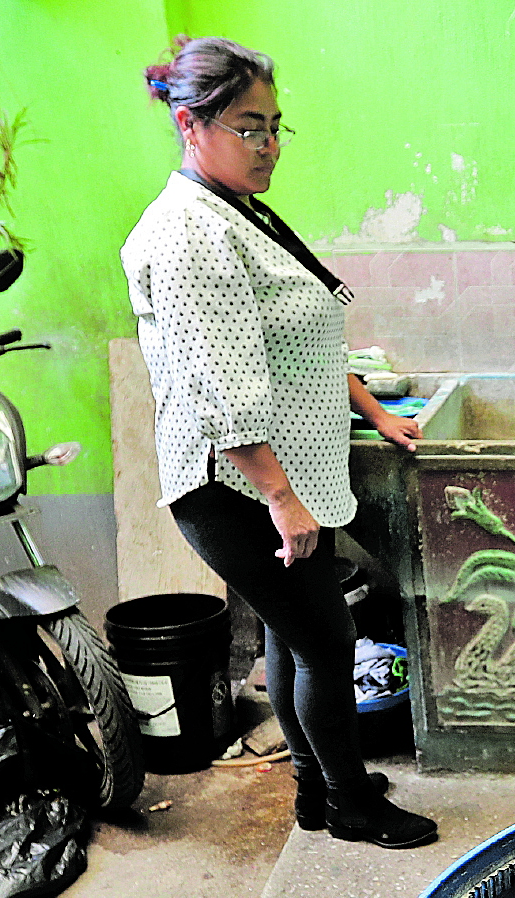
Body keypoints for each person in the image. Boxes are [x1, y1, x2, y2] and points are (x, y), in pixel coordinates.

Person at [121, 36, 437, 848]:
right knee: (327, 643)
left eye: (274, 127)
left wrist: (372, 411)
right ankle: (350, 804)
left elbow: (301, 342)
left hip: (277, 478)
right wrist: (282, 499)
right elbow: (222, 390)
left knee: (292, 636)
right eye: (248, 127)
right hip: (238, 487)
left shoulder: (233, 210)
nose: (268, 146)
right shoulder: (189, 232)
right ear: (191, 125)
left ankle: (315, 789)